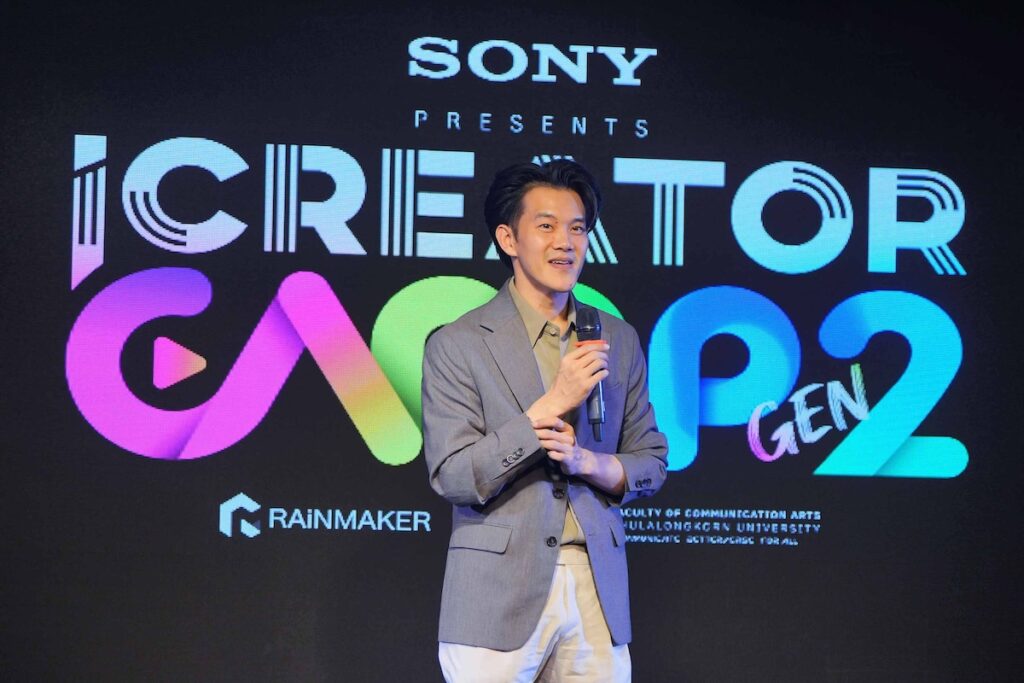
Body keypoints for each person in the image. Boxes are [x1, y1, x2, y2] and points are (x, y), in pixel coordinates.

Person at [422, 158, 668, 682]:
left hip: (596, 587)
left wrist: (587, 462)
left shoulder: (617, 338)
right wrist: (552, 403)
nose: (565, 243)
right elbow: (454, 475)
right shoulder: (458, 343)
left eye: (577, 229)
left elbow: (650, 463)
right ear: (508, 238)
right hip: (494, 592)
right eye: (547, 226)